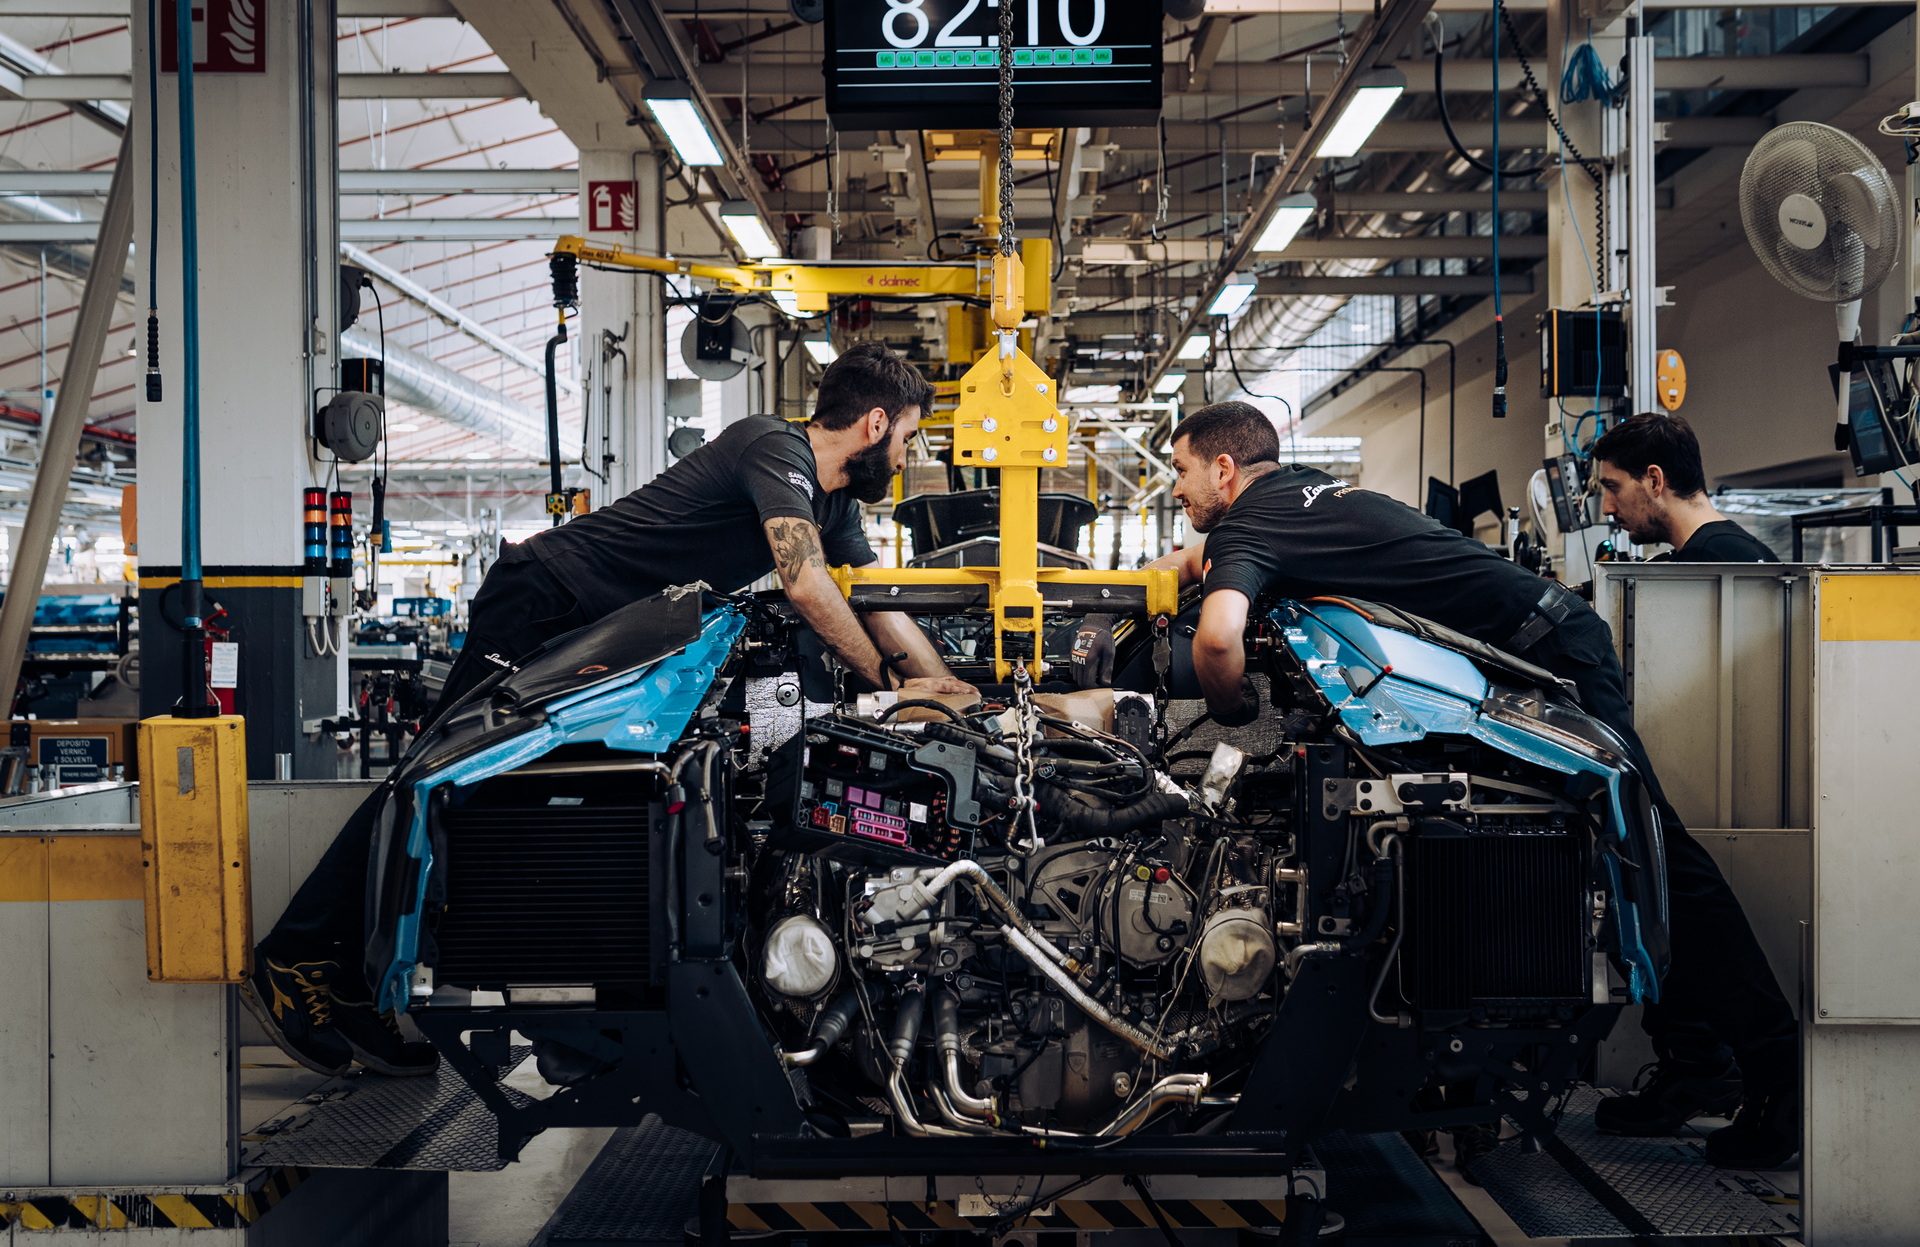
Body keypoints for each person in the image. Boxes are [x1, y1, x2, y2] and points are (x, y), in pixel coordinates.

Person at [244, 341, 972, 1079]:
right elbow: (809, 586)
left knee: (558, 814)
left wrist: (947, 695)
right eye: (909, 436)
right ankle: (295, 959)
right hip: (546, 602)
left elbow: (881, 603)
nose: (906, 455)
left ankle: (379, 989)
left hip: (607, 646)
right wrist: (886, 678)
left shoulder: (836, 501)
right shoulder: (773, 447)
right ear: (876, 423)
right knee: (432, 781)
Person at [1146, 401, 1800, 1171]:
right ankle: (1696, 1066)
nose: (1177, 492)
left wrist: (1232, 704)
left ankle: (1776, 1078)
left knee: (1656, 860)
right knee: (1627, 859)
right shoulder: (1302, 494)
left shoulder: (1248, 523)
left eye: (1181, 473)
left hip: (1550, 655)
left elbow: (1219, 639)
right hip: (1542, 643)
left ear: (1224, 470)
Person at [1591, 413, 1778, 562]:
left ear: (1654, 481)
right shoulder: (1744, 549)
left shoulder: (1703, 562)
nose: (1607, 508)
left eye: (1613, 487)